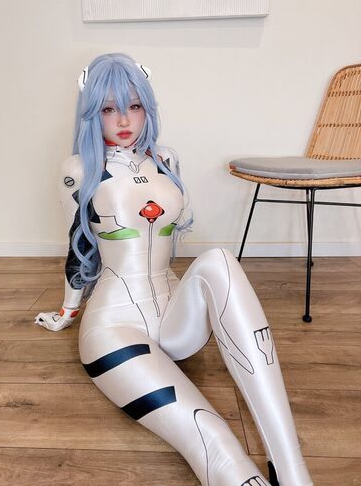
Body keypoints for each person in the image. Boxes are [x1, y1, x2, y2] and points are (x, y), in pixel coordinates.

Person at [35, 53, 313, 486]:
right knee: (211, 438)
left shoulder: (166, 159)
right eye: (108, 109)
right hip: (115, 328)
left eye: (134, 105)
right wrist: (68, 310)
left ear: (148, 106)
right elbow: (77, 244)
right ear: (91, 113)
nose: (123, 120)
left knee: (220, 260)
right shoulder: (78, 169)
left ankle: (293, 472)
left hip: (175, 318)